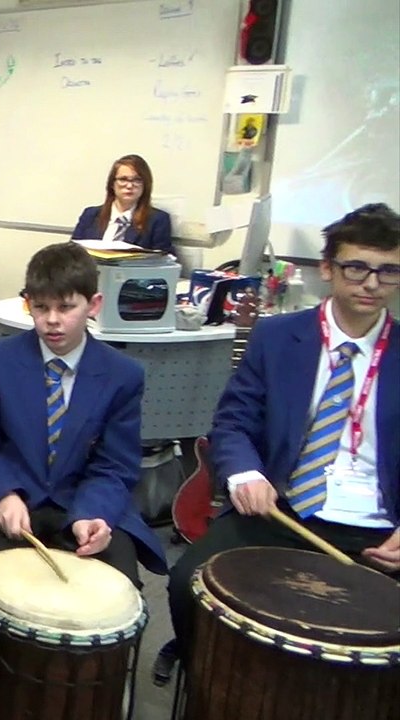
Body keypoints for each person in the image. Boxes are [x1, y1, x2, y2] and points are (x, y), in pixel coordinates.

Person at [167, 203, 400, 658]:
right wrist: (246, 474)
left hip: (378, 530)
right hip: (280, 511)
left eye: (388, 271)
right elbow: (233, 421)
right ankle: (206, 681)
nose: (372, 283)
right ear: (328, 269)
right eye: (356, 267)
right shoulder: (276, 337)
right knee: (185, 585)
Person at [0, 242, 168, 600]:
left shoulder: (122, 375)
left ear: (93, 305)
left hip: (81, 499)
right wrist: (3, 495)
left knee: (115, 590)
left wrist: (92, 514)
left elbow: (115, 465)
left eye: (66, 307)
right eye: (40, 307)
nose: (52, 320)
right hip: (9, 495)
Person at [71, 154, 174, 253]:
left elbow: (164, 259)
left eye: (137, 180)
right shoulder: (90, 215)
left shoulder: (157, 220)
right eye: (123, 179)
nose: (129, 186)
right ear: (112, 184)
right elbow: (71, 255)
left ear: (146, 185)